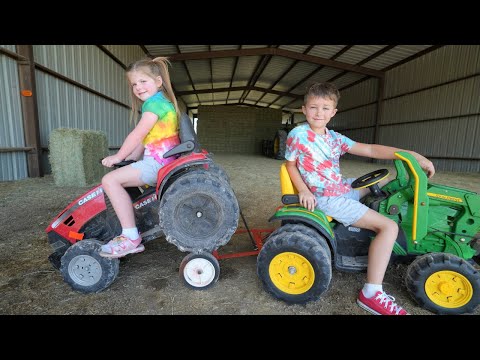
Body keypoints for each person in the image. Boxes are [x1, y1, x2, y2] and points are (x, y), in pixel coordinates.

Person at [285, 82, 435, 315]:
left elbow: (371, 150)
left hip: (341, 188)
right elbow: (291, 164)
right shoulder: (298, 135)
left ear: (333, 112)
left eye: (325, 108)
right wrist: (304, 190)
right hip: (326, 198)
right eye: (313, 107)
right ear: (304, 109)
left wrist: (410, 155)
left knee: (387, 182)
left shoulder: (334, 138)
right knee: (388, 227)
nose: (319, 113)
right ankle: (372, 293)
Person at [99, 57, 180, 258]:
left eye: (143, 81)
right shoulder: (162, 102)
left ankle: (130, 237)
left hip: (158, 165)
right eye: (134, 84)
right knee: (120, 177)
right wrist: (132, 158)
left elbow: (137, 134)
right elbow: (146, 140)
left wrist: (118, 156)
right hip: (162, 161)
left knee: (109, 180)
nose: (138, 87)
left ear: (158, 81)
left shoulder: (154, 104)